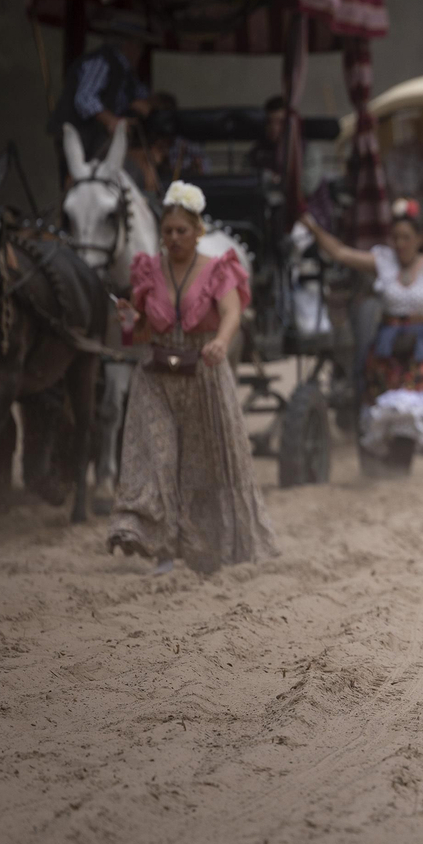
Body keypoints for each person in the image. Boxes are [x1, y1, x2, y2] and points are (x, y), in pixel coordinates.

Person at [107, 182, 277, 576]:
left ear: (198, 231)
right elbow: (146, 329)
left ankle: (203, 547)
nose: (174, 238)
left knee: (201, 464)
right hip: (156, 374)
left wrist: (220, 342)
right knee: (157, 458)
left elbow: (232, 311)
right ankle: (162, 550)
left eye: (182, 230)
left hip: (203, 371)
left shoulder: (219, 268)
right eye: (168, 231)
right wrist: (131, 321)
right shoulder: (149, 270)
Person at [300, 200, 423, 475]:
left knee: (412, 406)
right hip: (386, 347)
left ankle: (400, 466)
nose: (400, 244)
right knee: (381, 406)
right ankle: (385, 464)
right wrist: (313, 228)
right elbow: (340, 253)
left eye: (406, 238)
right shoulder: (383, 262)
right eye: (396, 237)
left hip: (421, 347)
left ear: (420, 239)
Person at [51, 22, 152, 159]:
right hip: (82, 141)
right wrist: (111, 120)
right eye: (140, 46)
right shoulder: (101, 62)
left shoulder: (127, 73)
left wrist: (137, 105)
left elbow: (137, 95)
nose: (141, 53)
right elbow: (85, 98)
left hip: (97, 141)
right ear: (129, 45)